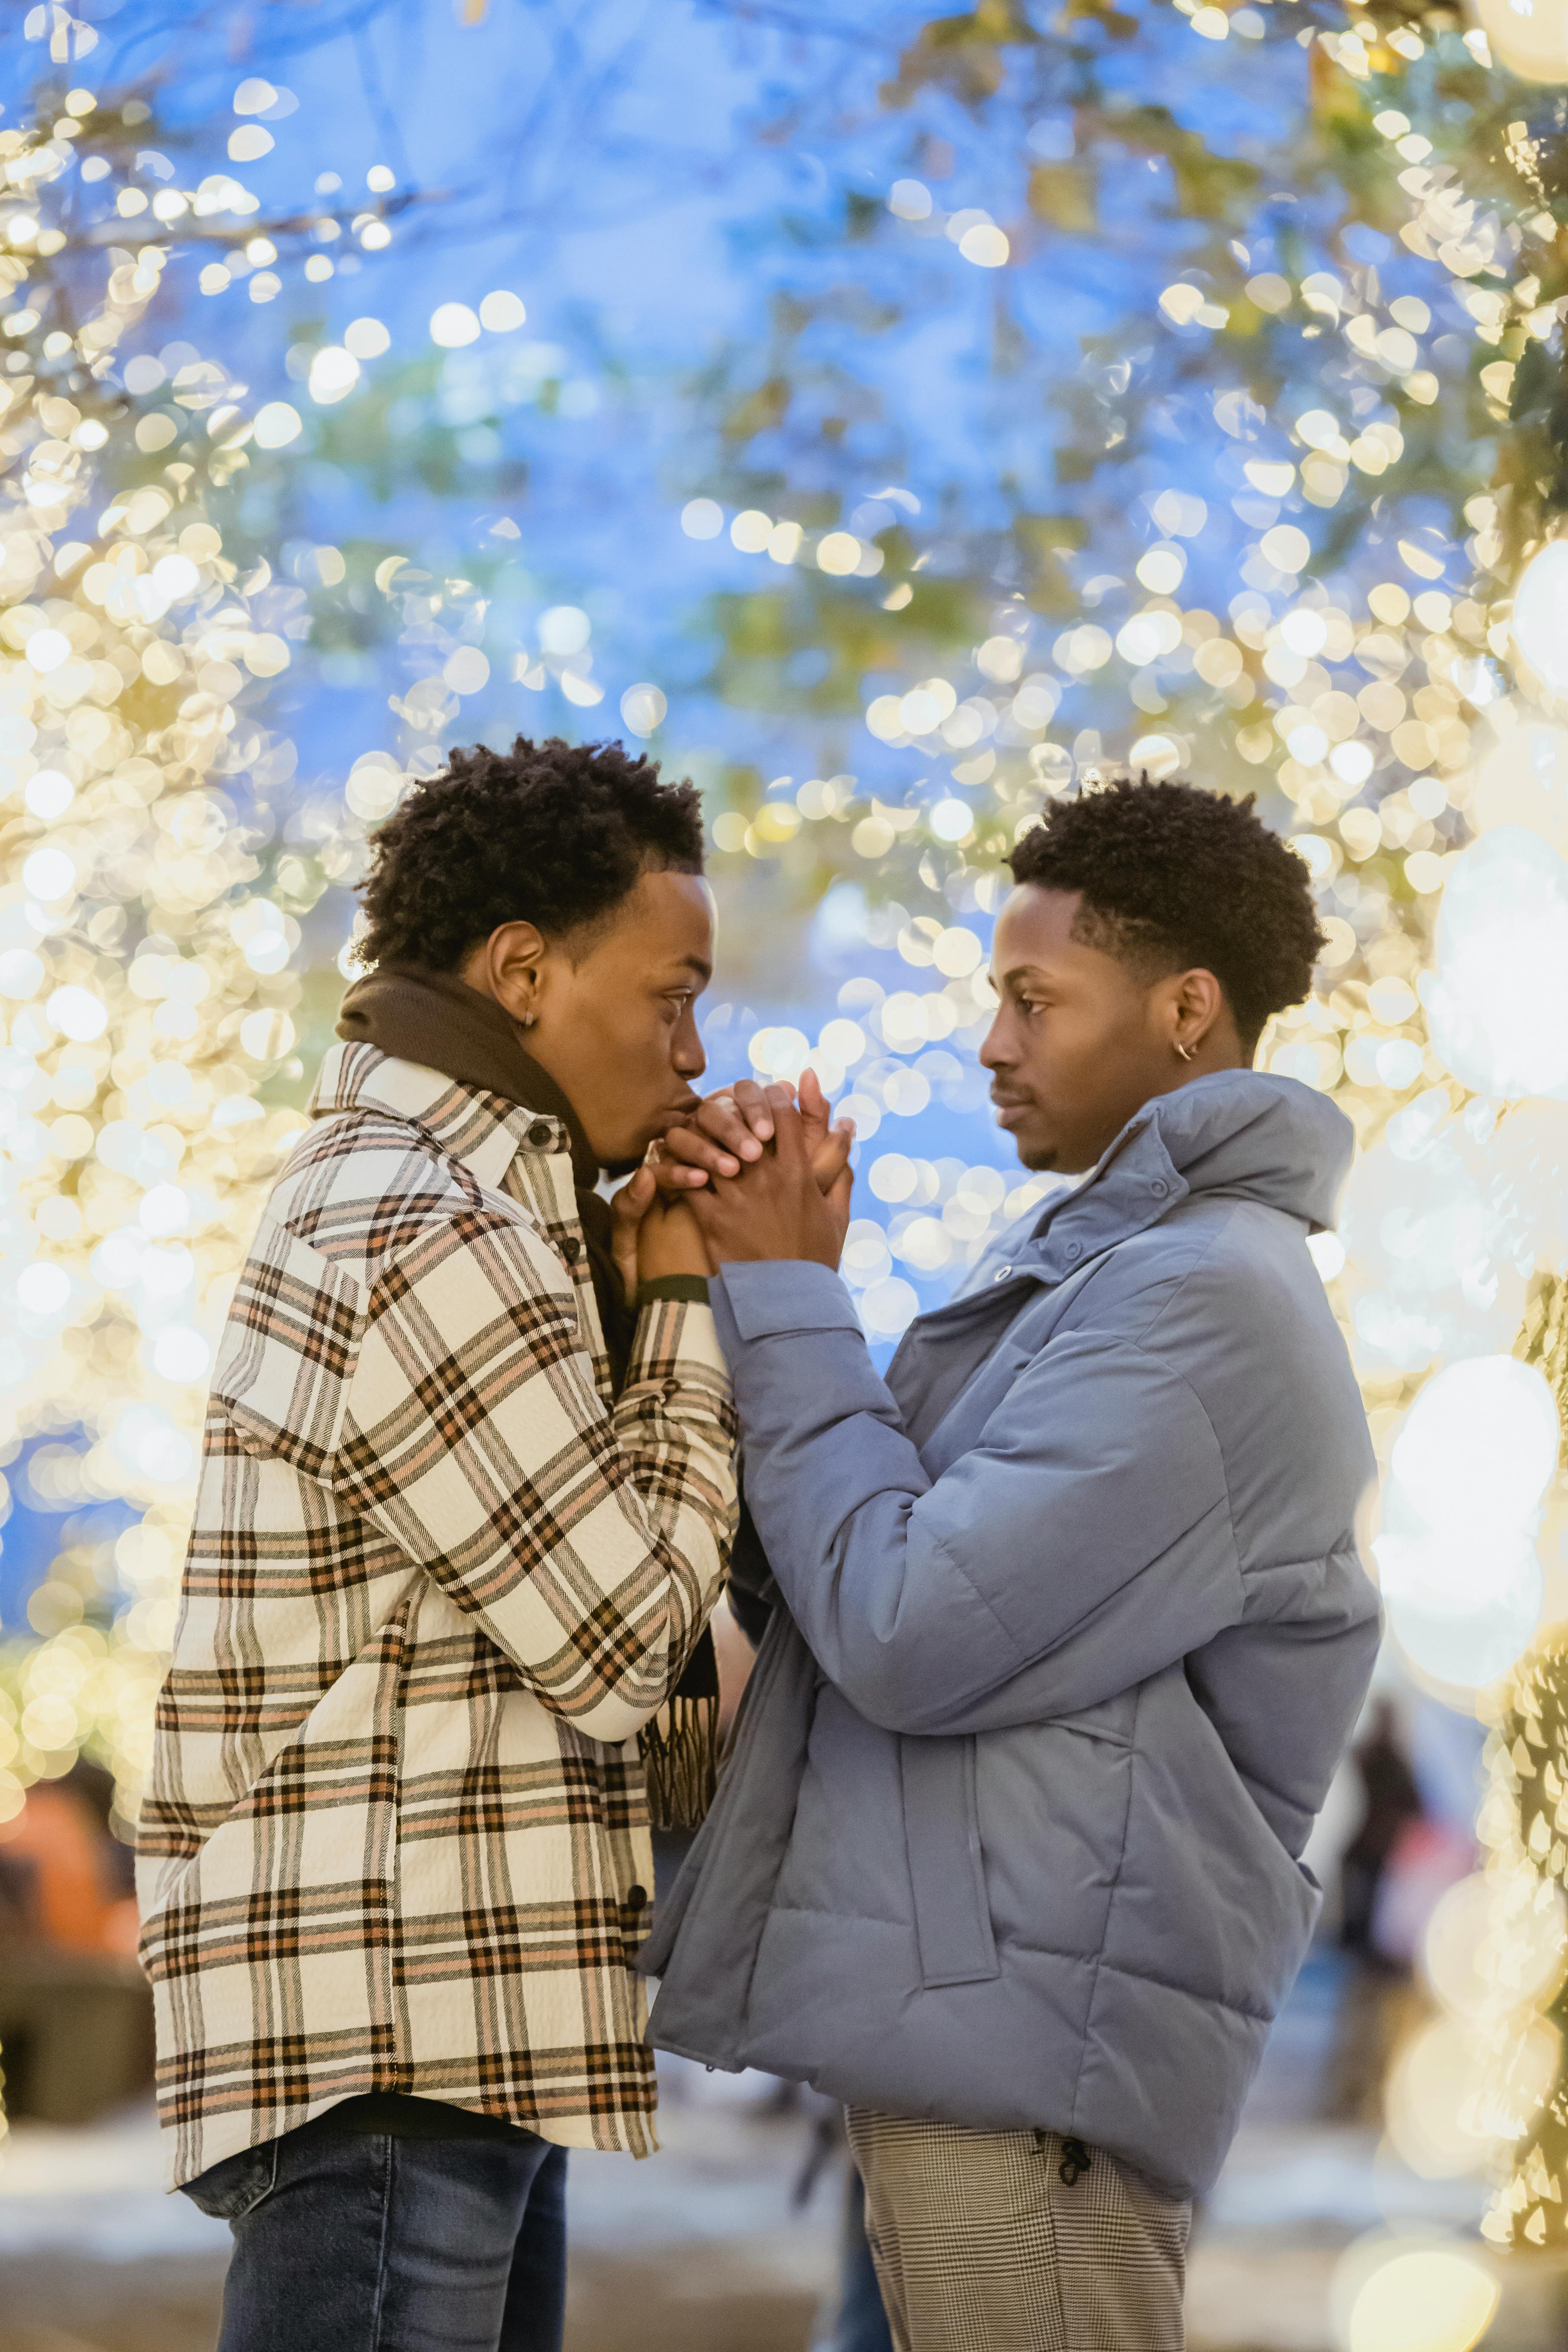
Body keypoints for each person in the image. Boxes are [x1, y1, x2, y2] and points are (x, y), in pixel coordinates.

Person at [643, 776, 1381, 2352]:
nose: (992, 1044)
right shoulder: (1111, 1274)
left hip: (1039, 2052)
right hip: (1002, 2023)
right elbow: (859, 1573)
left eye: (1033, 1000)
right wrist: (747, 1279)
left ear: (1187, 1009)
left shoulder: (1200, 1308)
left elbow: (907, 1629)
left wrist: (787, 1297)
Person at [137, 737, 741, 2352]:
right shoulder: (423, 1222)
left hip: (440, 2030)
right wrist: (683, 1304)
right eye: (671, 994)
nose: (693, 1054)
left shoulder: (464, 1204)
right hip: (394, 2038)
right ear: (523, 970)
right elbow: (623, 1652)